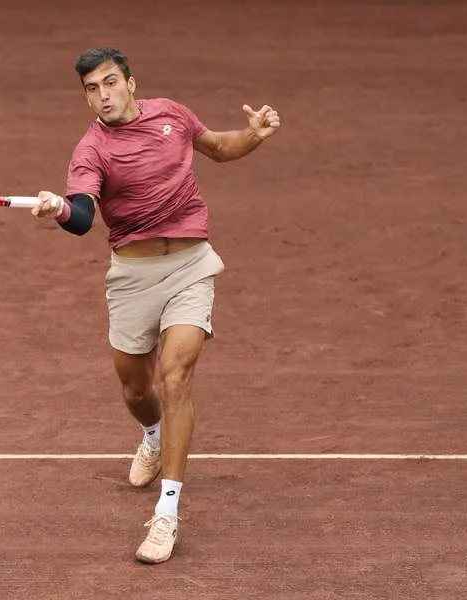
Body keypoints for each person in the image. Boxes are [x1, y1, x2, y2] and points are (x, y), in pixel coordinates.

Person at [32, 47, 281, 564]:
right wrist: (59, 209)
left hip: (193, 265)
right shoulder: (91, 150)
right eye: (92, 90)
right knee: (136, 386)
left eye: (110, 83)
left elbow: (217, 145)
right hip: (132, 276)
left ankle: (167, 513)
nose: (103, 96)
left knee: (175, 377)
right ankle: (151, 434)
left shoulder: (172, 114)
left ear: (131, 83)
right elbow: (82, 216)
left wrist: (254, 134)